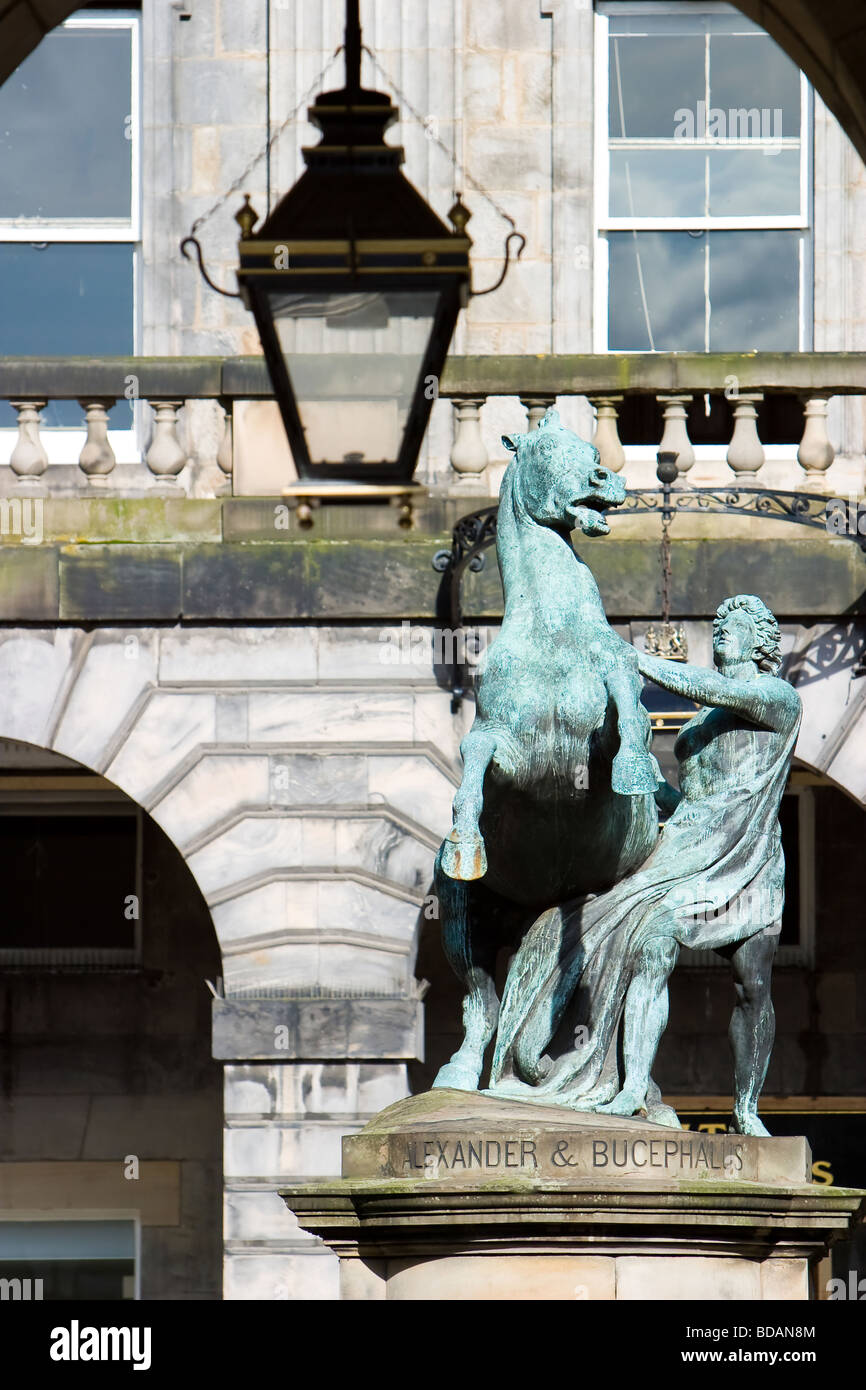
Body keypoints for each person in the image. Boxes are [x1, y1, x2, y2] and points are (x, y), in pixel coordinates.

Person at [486, 594, 802, 1136]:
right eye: (720, 621)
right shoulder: (707, 717)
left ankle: (746, 1107)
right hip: (684, 849)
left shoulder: (776, 697)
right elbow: (692, 801)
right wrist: (647, 788)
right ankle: (629, 1085)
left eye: (739, 623)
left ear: (763, 640)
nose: (725, 628)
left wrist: (633, 660)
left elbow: (718, 688)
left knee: (753, 984)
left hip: (744, 856)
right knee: (644, 937)